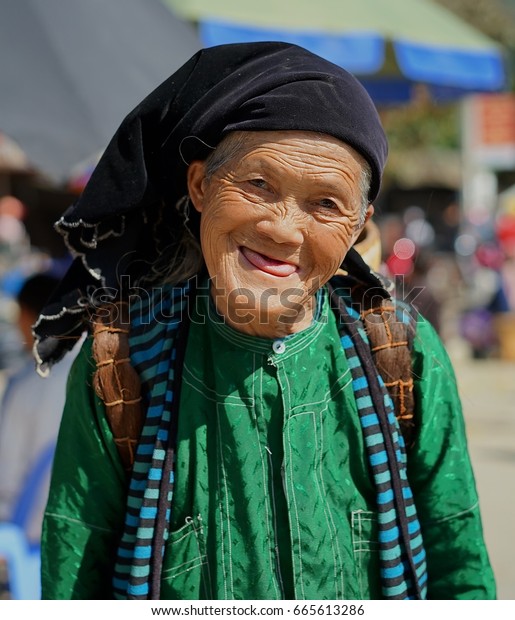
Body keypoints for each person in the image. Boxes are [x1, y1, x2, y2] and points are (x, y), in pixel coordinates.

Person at [34, 42, 495, 601]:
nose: (283, 230)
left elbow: (461, 570)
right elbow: (73, 579)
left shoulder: (402, 353)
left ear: (359, 226)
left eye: (326, 204)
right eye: (258, 185)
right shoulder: (122, 362)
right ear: (201, 185)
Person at [0, 272, 79, 546]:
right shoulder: (95, 367)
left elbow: (7, 476)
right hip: (92, 521)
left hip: (34, 529)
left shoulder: (27, 385)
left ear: (30, 316)